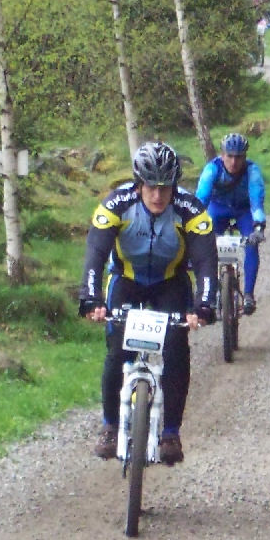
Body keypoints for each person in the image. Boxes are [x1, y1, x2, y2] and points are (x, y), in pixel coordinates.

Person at [78, 141, 218, 465]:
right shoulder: (117, 204)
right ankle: (110, 427)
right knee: (117, 352)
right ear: (139, 183)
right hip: (127, 282)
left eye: (165, 187)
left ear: (174, 185)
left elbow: (206, 261)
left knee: (176, 349)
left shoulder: (191, 210)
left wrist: (204, 305)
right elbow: (95, 253)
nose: (158, 196)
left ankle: (170, 433)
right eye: (151, 187)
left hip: (170, 284)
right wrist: (91, 298)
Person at [195, 133, 266, 315]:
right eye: (230, 156)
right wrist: (194, 223)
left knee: (251, 244)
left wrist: (259, 225)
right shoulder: (212, 169)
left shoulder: (252, 170)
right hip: (218, 209)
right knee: (207, 246)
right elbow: (201, 199)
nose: (234, 162)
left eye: (239, 157)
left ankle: (248, 295)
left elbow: (256, 200)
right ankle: (209, 294)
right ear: (222, 154)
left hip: (244, 211)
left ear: (245, 156)